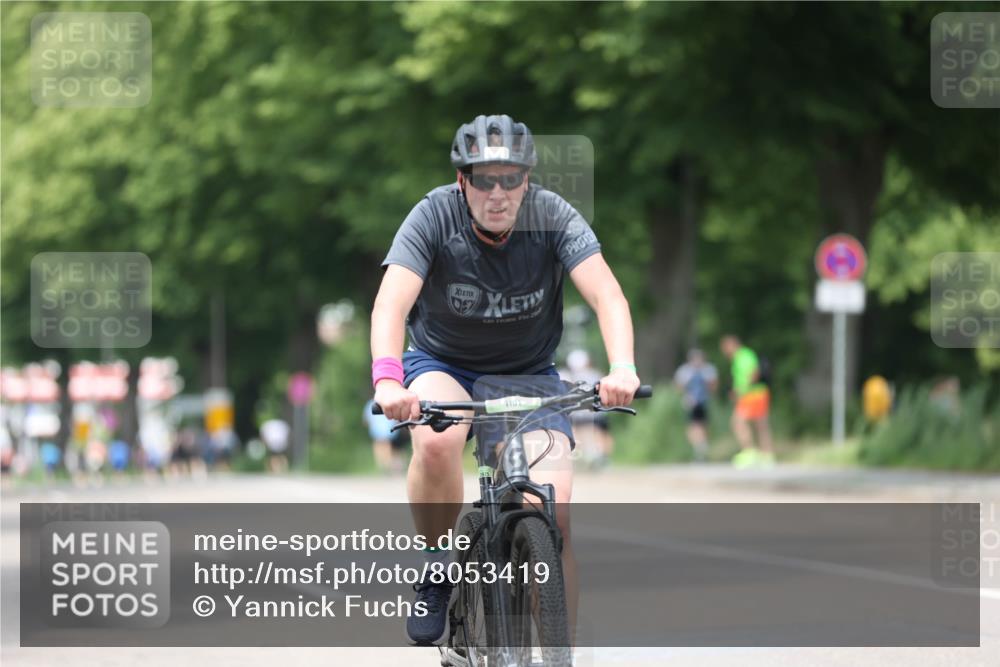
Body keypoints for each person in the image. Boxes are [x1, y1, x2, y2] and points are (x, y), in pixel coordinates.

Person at [371, 114, 640, 647]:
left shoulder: (552, 215)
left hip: (528, 373)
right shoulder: (432, 215)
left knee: (552, 514)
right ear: (462, 181)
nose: (498, 193)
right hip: (443, 364)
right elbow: (390, 304)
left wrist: (623, 368)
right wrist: (387, 381)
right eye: (484, 179)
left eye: (510, 179)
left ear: (527, 179)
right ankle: (436, 568)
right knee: (436, 442)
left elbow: (607, 295)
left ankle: (559, 647)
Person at [720, 334, 774, 467]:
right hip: (757, 393)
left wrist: (741, 390)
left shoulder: (743, 356)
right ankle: (767, 455)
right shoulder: (742, 356)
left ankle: (750, 452)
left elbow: (754, 373)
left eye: (725, 347)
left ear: (732, 345)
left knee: (738, 422)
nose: (724, 351)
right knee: (760, 424)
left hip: (751, 394)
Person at [559, 349, 614, 470]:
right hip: (591, 412)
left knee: (577, 435)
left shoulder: (564, 375)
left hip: (577, 413)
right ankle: (600, 459)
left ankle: (586, 459)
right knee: (598, 434)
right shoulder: (595, 375)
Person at [673, 348, 718, 461]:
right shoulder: (685, 371)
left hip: (703, 402)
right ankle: (699, 448)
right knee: (693, 426)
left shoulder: (707, 370)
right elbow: (678, 386)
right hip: (690, 402)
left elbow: (713, 386)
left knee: (702, 425)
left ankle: (701, 448)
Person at [363, 398, 404, 474]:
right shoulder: (390, 401)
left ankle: (383, 465)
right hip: (389, 429)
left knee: (379, 448)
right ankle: (388, 465)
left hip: (377, 430)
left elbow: (367, 419)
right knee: (389, 448)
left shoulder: (371, 403)